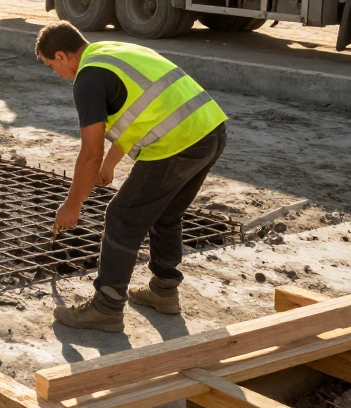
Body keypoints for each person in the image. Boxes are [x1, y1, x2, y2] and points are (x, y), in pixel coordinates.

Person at [36, 20, 227, 333]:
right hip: (210, 132)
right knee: (166, 215)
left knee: (122, 217)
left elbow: (89, 153)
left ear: (61, 56)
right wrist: (111, 164)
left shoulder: (88, 78)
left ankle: (107, 307)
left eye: (50, 66)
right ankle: (164, 292)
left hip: (175, 144)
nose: (54, 72)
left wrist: (73, 204)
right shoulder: (114, 51)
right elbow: (143, 112)